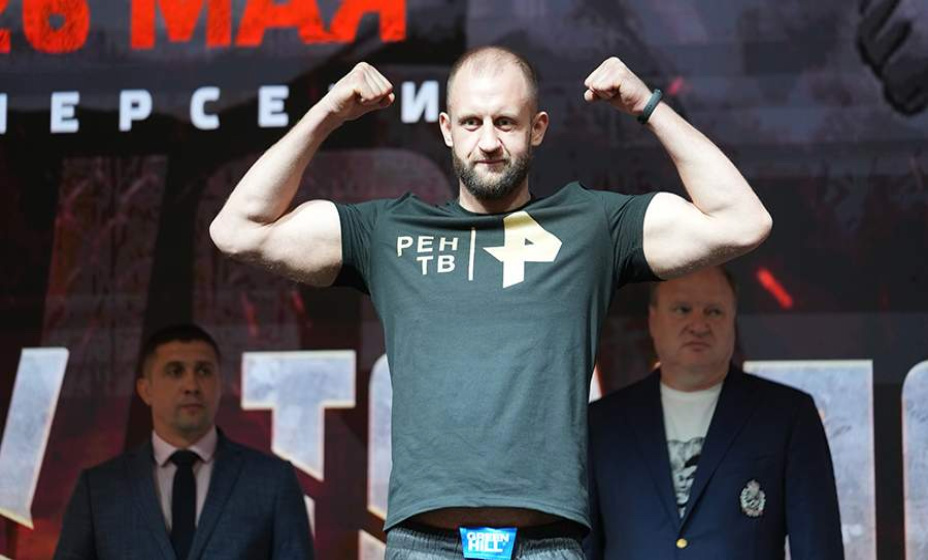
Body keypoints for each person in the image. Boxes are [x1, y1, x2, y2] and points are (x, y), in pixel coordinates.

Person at [209, 45, 771, 558]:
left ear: (537, 129)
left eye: (506, 122)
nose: (488, 141)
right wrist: (328, 111)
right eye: (472, 122)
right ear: (447, 129)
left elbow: (742, 222)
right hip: (422, 545)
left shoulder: (590, 225)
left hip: (547, 546)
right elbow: (238, 229)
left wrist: (647, 105)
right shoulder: (391, 231)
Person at [585, 267, 843, 559]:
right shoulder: (602, 423)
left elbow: (818, 549)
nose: (698, 324)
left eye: (714, 311)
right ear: (653, 319)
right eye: (682, 309)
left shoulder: (788, 415)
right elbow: (582, 547)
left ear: (733, 320)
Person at [54, 324, 314, 560]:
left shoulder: (273, 482)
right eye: (175, 371)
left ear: (220, 385)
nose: (191, 385)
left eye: (203, 371)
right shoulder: (98, 488)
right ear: (146, 390)